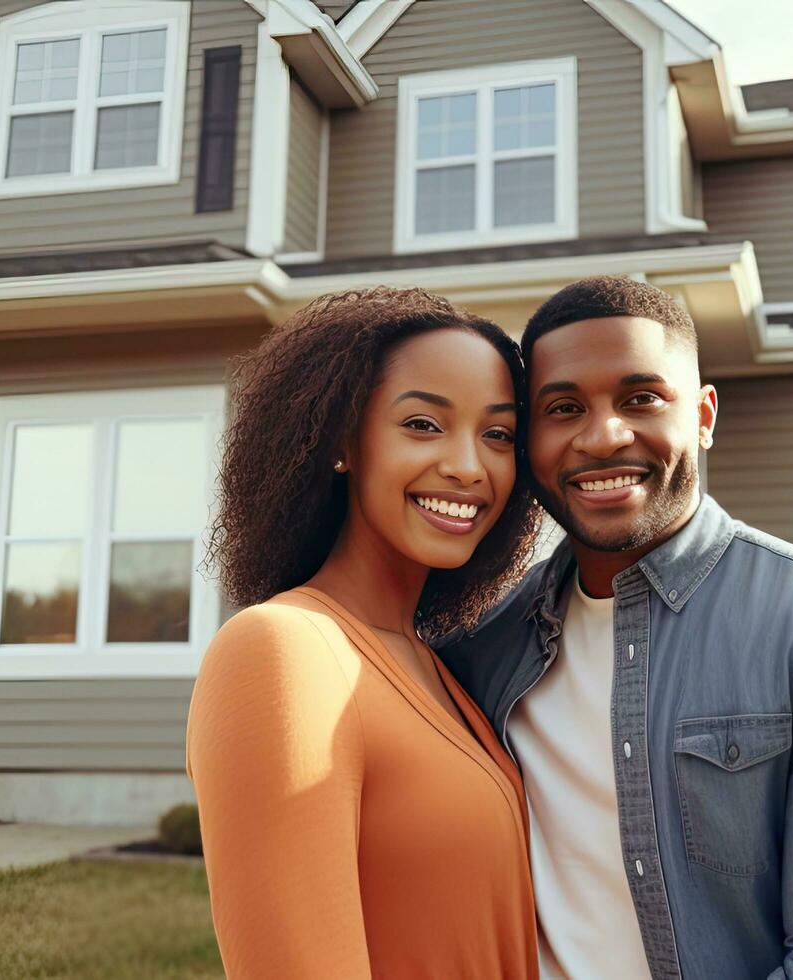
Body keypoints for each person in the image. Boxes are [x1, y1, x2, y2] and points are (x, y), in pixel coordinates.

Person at [438, 276, 793, 979]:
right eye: (563, 408)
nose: (602, 436)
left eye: (641, 398)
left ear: (704, 415)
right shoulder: (481, 646)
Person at [186, 287, 543, 979]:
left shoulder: (433, 663)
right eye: (422, 424)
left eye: (497, 434)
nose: (469, 466)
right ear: (343, 440)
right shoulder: (282, 650)